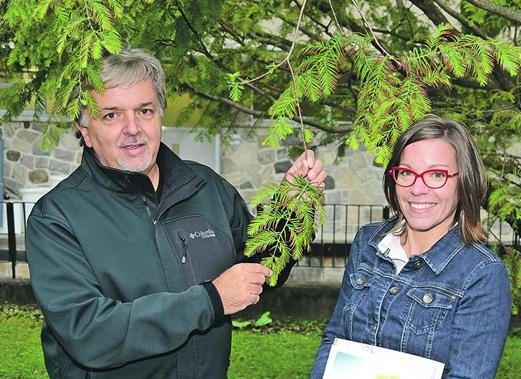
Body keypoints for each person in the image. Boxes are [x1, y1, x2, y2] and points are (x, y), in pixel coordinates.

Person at [25, 48, 327, 378]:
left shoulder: (207, 188)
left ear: (160, 117)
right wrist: (210, 301)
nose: (132, 127)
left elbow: (258, 270)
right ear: (85, 131)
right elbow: (89, 333)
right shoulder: (56, 217)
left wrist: (290, 210)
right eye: (111, 115)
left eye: (145, 111)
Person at [310, 115, 511, 378]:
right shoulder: (367, 244)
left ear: (464, 182)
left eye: (436, 175)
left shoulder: (481, 274)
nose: (417, 188)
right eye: (407, 173)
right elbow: (335, 340)